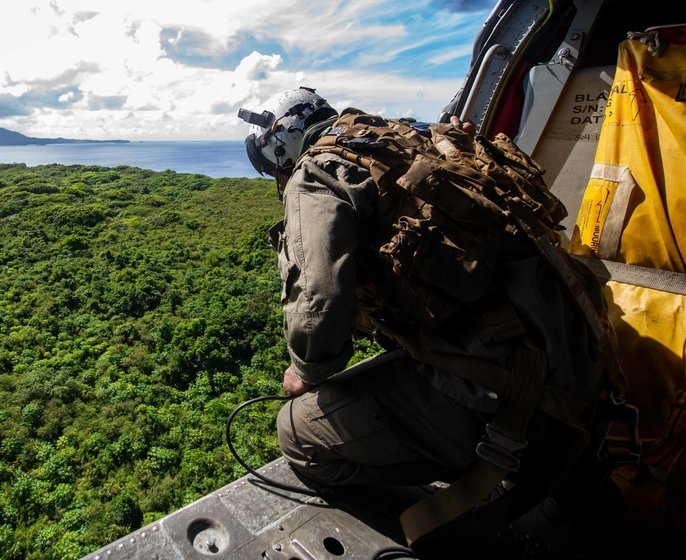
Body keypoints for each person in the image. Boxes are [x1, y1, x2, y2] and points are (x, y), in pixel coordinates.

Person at [237, 87, 628, 545]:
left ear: (282, 143)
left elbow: (319, 301)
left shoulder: (318, 169)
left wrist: (307, 370)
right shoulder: (414, 136)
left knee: (297, 433)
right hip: (579, 351)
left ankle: (451, 531)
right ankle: (591, 508)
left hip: (511, 387)